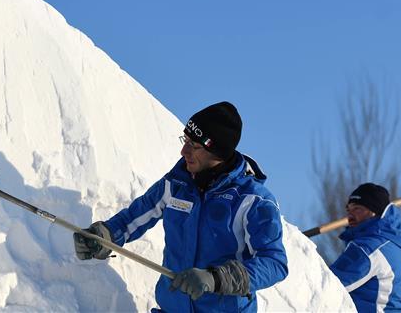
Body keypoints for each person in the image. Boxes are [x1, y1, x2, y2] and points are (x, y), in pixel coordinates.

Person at [73, 102, 288, 312]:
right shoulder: (177, 184)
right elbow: (135, 216)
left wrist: (215, 278)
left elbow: (274, 262)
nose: (183, 151)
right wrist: (105, 235)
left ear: (218, 152)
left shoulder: (252, 200)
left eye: (194, 145)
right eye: (185, 140)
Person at [328, 183, 401, 312]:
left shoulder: (368, 247)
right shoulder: (394, 244)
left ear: (374, 212)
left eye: (357, 209)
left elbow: (327, 284)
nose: (349, 216)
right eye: (348, 210)